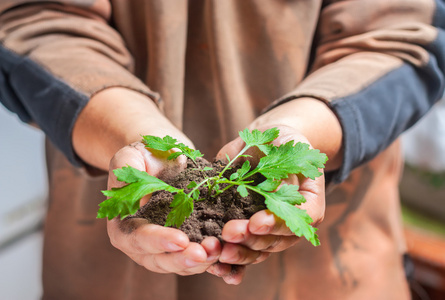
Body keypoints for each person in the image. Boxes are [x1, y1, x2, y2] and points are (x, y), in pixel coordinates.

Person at [0, 0, 444, 299]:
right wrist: (129, 131)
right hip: (108, 276)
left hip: (331, 274)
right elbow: (33, 19)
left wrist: (300, 127)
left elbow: (408, 34)